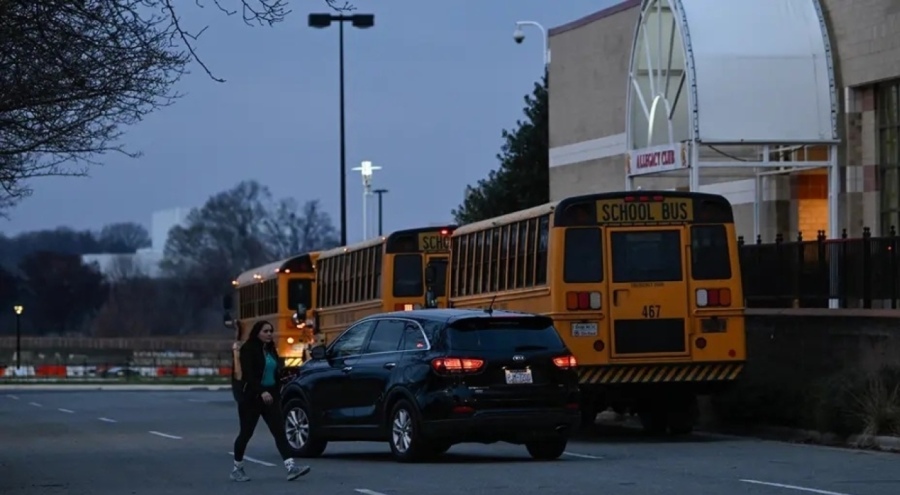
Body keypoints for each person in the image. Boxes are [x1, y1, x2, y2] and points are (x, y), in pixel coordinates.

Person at [230, 320, 311, 482]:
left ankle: (291, 467)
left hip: (271, 397)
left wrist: (283, 381)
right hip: (251, 398)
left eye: (270, 331)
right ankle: (237, 468)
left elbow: (274, 373)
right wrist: (261, 391)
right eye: (265, 331)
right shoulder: (249, 349)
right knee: (246, 433)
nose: (269, 334)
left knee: (279, 431)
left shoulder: (270, 350)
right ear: (257, 332)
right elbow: (248, 375)